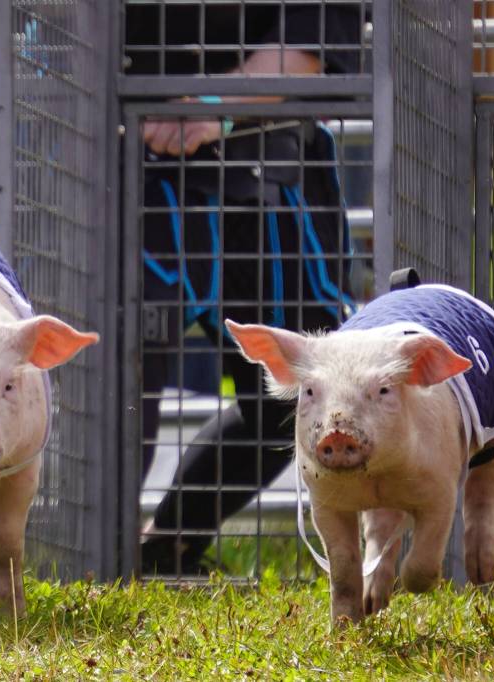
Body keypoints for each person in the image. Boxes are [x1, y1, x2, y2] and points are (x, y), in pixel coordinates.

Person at [124, 2, 366, 574]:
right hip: (129, 170)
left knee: (306, 391)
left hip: (272, 170)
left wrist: (217, 102)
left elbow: (315, 32)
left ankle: (168, 545)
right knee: (123, 381)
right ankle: (98, 558)